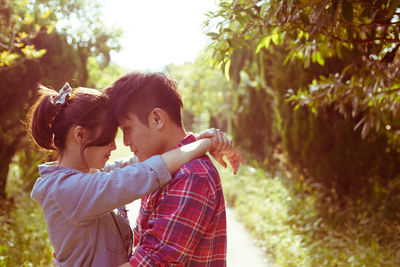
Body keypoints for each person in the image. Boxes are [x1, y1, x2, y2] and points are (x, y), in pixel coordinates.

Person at [27, 83, 241, 267]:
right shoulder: (67, 189)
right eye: (109, 137)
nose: (117, 144)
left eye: (124, 131)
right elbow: (141, 174)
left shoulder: (87, 177)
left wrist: (198, 141)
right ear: (80, 134)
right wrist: (203, 144)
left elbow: (132, 167)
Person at [106, 72, 243, 266]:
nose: (126, 141)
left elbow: (151, 262)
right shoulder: (162, 167)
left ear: (157, 119)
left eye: (127, 129)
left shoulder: (191, 176)